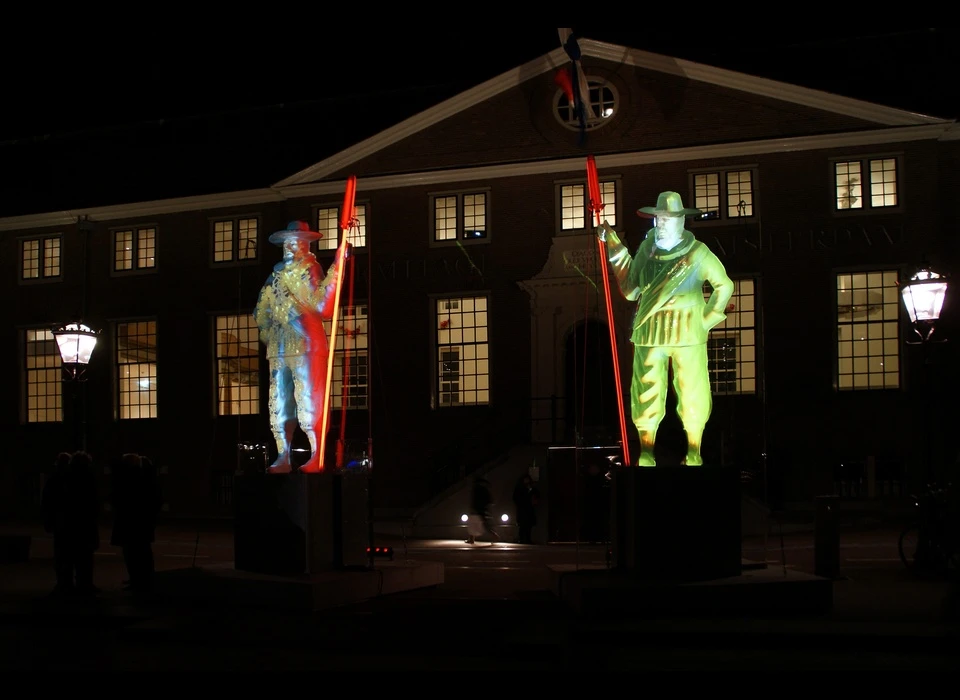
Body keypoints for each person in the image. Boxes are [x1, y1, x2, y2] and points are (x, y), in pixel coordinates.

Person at [597, 191, 733, 467]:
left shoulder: (698, 254)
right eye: (658, 219)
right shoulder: (647, 251)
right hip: (650, 328)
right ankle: (646, 450)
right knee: (645, 389)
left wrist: (707, 320)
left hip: (688, 331)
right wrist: (613, 245)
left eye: (667, 219)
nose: (660, 224)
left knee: (692, 389)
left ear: (681, 222)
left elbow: (724, 286)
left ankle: (694, 451)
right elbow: (631, 289)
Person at [254, 221, 349, 473]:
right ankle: (283, 454)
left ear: (305, 244)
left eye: (295, 241)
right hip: (279, 346)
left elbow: (323, 307)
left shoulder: (311, 269)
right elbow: (261, 309)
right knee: (279, 400)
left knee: (309, 397)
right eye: (287, 242)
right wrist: (269, 328)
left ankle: (316, 453)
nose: (290, 246)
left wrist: (337, 269)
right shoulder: (274, 275)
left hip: (306, 343)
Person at [512, 473, 539, 544]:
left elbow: (536, 495)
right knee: (523, 525)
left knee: (528, 526)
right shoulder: (520, 488)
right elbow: (516, 498)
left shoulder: (531, 488)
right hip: (523, 509)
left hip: (529, 509)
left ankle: (527, 539)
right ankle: (522, 539)